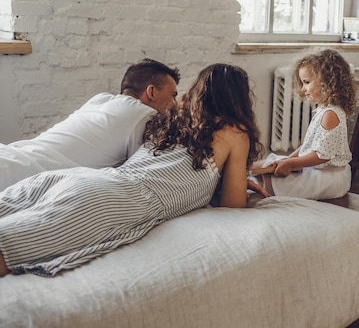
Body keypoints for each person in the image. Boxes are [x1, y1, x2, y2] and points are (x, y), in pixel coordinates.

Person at [0, 63, 268, 277]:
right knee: (11, 247)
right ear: (239, 100)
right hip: (119, 199)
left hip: (85, 178)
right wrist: (235, 180)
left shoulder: (172, 121)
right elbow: (233, 207)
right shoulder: (236, 132)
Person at [0, 58, 180, 191]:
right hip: (20, 177)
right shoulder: (143, 114)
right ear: (151, 92)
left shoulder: (100, 99)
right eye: (173, 95)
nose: (175, 104)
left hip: (14, 155)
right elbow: (141, 173)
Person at [251, 49, 359, 200]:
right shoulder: (323, 110)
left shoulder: (331, 114)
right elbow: (308, 146)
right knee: (268, 163)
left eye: (307, 82)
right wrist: (289, 159)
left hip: (328, 179)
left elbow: (322, 156)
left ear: (327, 83)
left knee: (268, 180)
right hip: (319, 172)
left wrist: (291, 164)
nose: (303, 89)